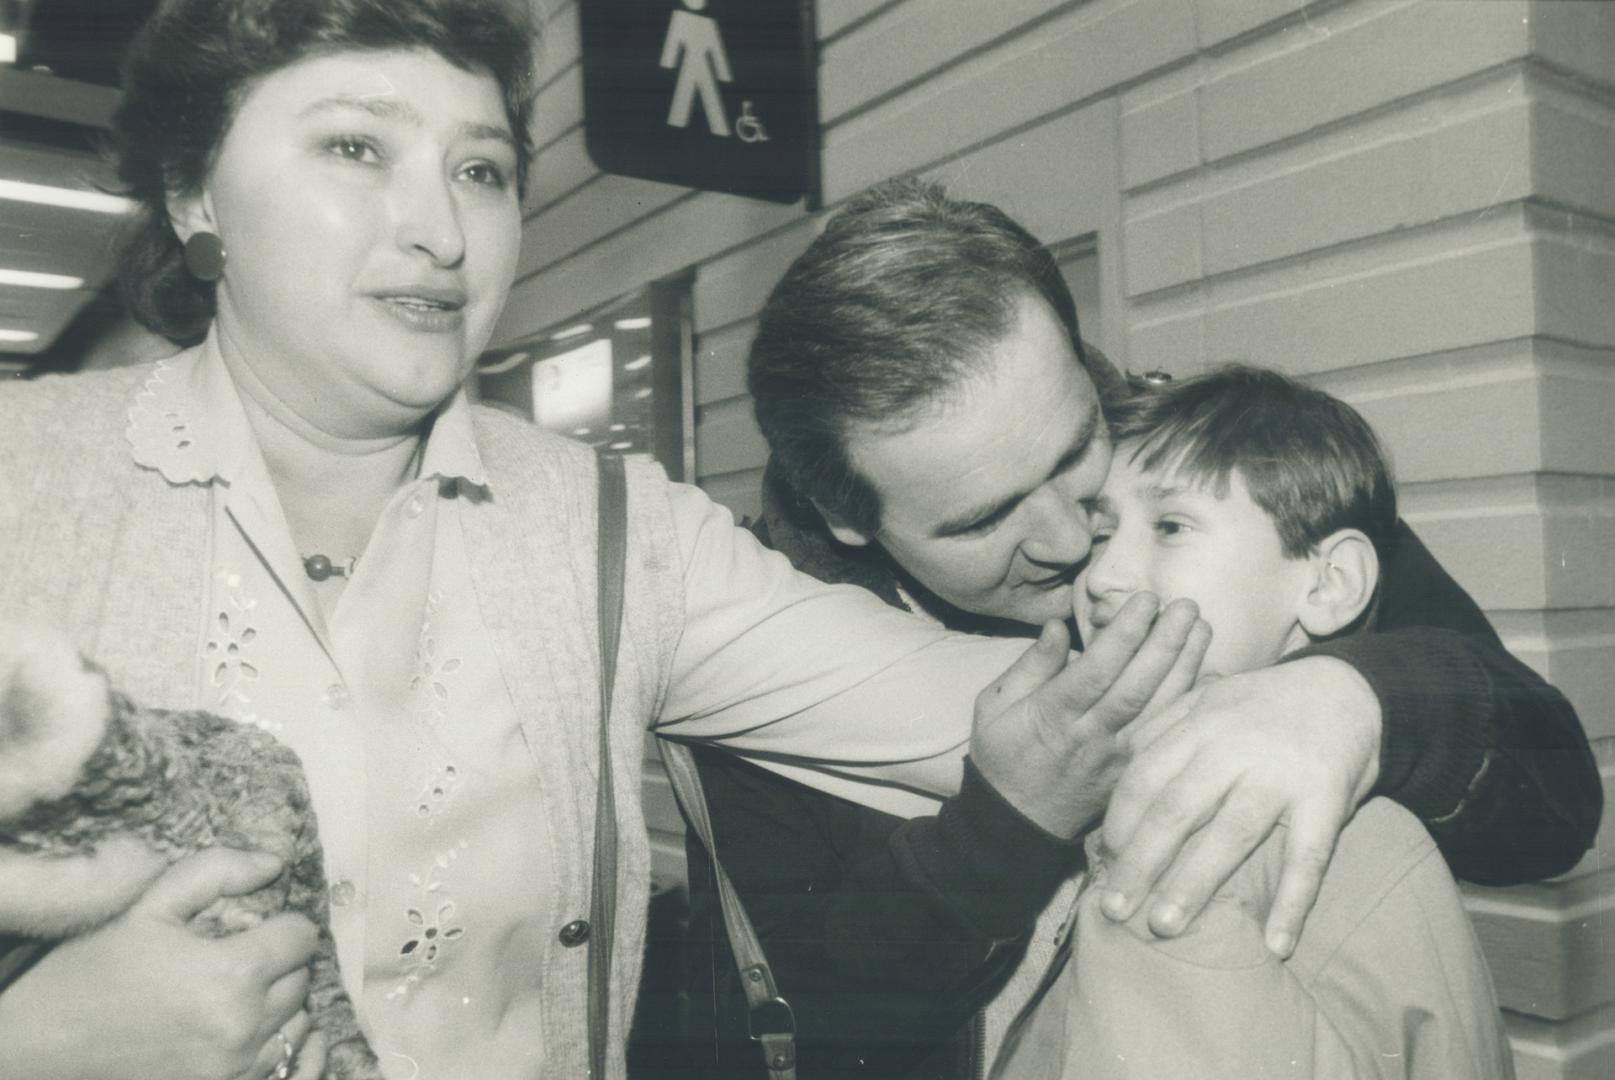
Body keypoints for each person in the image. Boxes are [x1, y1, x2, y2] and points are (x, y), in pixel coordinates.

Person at [0, 5, 1212, 1080]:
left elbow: (1045, 712)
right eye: (355, 146)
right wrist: (38, 1043)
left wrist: (1344, 700)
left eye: (481, 168)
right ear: (193, 188)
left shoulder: (612, 534)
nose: (439, 228)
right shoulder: (20, 479)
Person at [682, 179, 1598, 1077]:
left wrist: (1358, 700)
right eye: (980, 521)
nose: (1072, 537)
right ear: (844, 516)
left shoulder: (1197, 465)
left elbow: (1553, 811)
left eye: (1078, 447)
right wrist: (1004, 831)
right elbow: (798, 1029)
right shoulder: (754, 646)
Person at [991, 364, 1514, 1078]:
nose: (1101, 577)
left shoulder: (1295, 844)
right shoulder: (1094, 794)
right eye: (1101, 531)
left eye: (1170, 526)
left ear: (1328, 585)